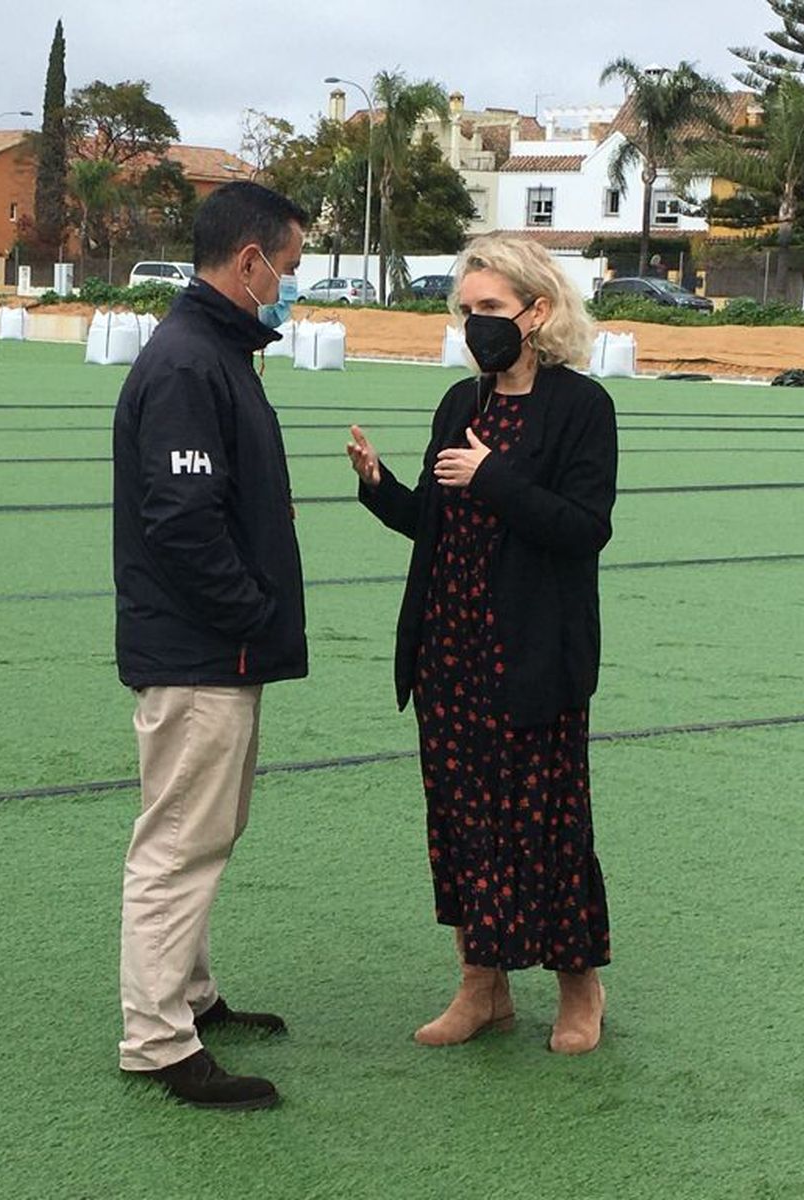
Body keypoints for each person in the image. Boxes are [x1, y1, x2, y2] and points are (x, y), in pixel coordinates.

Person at [346, 233, 616, 1055]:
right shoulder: (459, 405)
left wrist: (494, 478)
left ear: (538, 312)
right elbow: (435, 516)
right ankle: (482, 986)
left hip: (533, 659)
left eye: (491, 309)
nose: (476, 325)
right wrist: (381, 487)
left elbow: (583, 530)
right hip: (450, 654)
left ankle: (579, 989)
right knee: (464, 825)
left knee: (550, 826)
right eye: (467, 311)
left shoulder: (581, 408)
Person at [112, 181, 308, 1110]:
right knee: (180, 843)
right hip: (200, 653)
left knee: (205, 831)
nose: (290, 287)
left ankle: (188, 997)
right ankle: (158, 1042)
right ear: (249, 262)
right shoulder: (192, 363)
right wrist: (250, 613)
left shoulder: (215, 354)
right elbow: (182, 521)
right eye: (289, 269)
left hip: (214, 649)